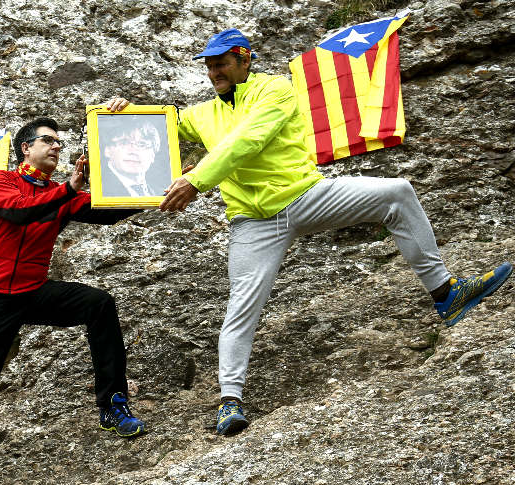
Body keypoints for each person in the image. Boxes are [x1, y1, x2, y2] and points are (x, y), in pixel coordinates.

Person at [108, 28, 512, 436]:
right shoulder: (202, 114)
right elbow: (160, 127)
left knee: (397, 192)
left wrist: (198, 180)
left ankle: (447, 294)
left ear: (245, 59)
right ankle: (229, 402)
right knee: (241, 306)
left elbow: (249, 140)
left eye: (222, 63)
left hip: (306, 195)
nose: (215, 72)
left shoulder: (276, 90)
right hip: (254, 221)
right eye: (210, 66)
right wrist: (124, 114)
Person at [0, 117, 147, 485]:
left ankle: (113, 406)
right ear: (25, 148)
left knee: (98, 303)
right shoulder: (1, 182)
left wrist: (158, 191)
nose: (56, 147)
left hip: (33, 291)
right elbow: (19, 213)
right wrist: (68, 189)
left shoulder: (60, 193)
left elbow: (108, 211)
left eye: (59, 142)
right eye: (47, 141)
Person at [98, 115, 168, 197]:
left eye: (142, 144)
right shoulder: (100, 190)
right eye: (124, 143)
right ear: (107, 150)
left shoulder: (160, 193)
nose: (133, 151)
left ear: (153, 154)